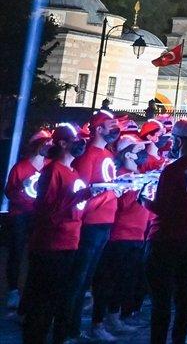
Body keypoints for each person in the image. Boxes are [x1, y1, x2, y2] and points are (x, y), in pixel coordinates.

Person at [145, 118, 187, 344]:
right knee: (185, 296)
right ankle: (179, 339)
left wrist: (143, 201)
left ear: (178, 140)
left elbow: (162, 207)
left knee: (162, 298)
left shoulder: (173, 170)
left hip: (166, 238)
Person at [23, 124, 91, 344]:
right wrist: (80, 196)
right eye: (77, 139)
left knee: (58, 298)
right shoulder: (53, 171)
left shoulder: (72, 171)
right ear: (63, 143)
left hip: (68, 242)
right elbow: (47, 210)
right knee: (43, 302)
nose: (81, 143)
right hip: (50, 245)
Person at [68, 110, 120, 342]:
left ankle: (75, 326)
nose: (115, 129)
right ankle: (69, 327)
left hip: (104, 223)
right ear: (99, 129)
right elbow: (81, 196)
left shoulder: (106, 153)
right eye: (111, 125)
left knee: (88, 278)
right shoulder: (89, 156)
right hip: (90, 225)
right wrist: (110, 194)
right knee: (79, 279)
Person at [93, 135, 152, 337]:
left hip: (138, 235)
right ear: (127, 153)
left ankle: (114, 317)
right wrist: (135, 190)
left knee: (124, 280)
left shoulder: (139, 174)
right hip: (121, 235)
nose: (143, 153)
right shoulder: (122, 177)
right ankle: (99, 323)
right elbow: (120, 206)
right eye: (139, 150)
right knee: (110, 280)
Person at [4, 128, 49, 312]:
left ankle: (32, 289)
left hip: (40, 215)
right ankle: (13, 291)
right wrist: (22, 189)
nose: (49, 146)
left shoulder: (50, 166)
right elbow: (9, 192)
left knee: (37, 253)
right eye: (45, 143)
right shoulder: (21, 167)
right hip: (20, 216)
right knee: (16, 252)